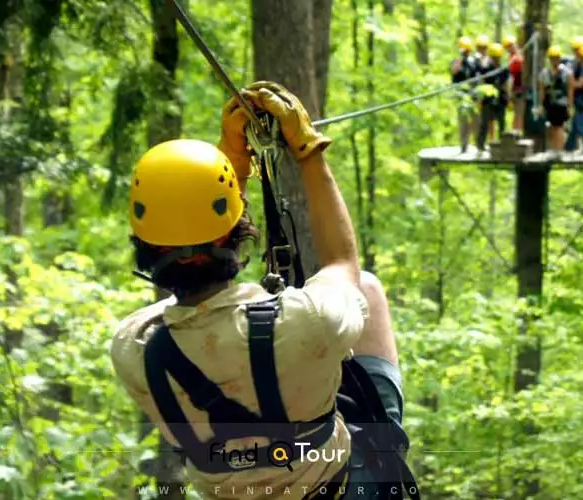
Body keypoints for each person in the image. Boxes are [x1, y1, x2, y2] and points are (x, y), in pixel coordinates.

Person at [111, 81, 412, 500]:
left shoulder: (133, 348)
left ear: (143, 247)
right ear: (238, 234)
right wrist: (308, 152)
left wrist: (230, 165)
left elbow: (189, 295)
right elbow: (344, 264)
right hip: (336, 487)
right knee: (368, 290)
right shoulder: (308, 321)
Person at [538, 46, 573, 152]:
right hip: (549, 104)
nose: (554, 60)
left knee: (559, 127)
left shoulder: (566, 72)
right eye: (552, 58)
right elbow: (542, 90)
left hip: (561, 104)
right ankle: (553, 148)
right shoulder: (544, 73)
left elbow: (570, 90)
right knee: (551, 127)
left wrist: (570, 105)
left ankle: (559, 149)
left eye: (556, 58)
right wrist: (541, 105)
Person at [476, 43, 509, 151]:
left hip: (501, 100)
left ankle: (504, 145)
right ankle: (480, 145)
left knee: (502, 124)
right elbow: (481, 83)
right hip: (487, 100)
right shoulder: (485, 69)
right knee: (484, 123)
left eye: (498, 57)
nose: (496, 60)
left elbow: (506, 84)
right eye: (494, 58)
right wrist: (480, 99)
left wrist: (508, 97)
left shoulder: (504, 69)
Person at [451, 36, 479, 153]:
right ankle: (464, 145)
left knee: (476, 120)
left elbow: (478, 75)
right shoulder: (456, 62)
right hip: (461, 96)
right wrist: (461, 60)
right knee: (463, 121)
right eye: (463, 50)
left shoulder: (473, 62)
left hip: (473, 95)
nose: (465, 53)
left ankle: (479, 144)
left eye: (466, 50)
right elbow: (454, 71)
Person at [502, 34, 525, 135]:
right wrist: (510, 93)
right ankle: (517, 132)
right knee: (518, 113)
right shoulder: (514, 59)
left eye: (512, 45)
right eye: (509, 47)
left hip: (520, 87)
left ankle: (517, 132)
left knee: (519, 113)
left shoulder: (518, 56)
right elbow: (512, 77)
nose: (511, 48)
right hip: (517, 89)